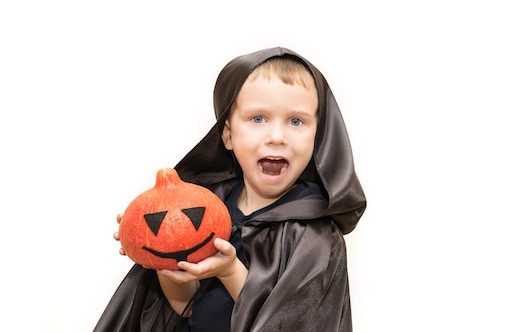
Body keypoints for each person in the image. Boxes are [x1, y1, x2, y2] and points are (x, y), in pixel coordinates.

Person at [94, 47, 366, 332]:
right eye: (258, 119)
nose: (276, 137)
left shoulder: (315, 237)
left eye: (296, 121)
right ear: (228, 135)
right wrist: (162, 256)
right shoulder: (207, 207)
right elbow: (183, 308)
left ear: (317, 136)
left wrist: (229, 271)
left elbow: (285, 324)